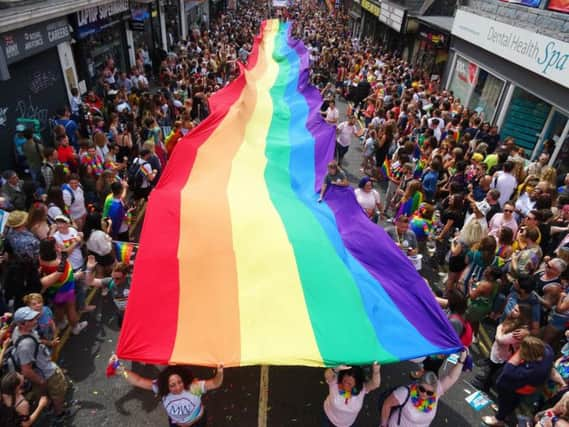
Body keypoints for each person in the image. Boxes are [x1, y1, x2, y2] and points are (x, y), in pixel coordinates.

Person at [108, 356, 223, 426]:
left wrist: (220, 372)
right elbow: (138, 381)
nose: (178, 387)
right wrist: (120, 369)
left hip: (198, 423)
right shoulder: (160, 387)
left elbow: (215, 383)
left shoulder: (194, 387)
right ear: (165, 385)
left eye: (180, 382)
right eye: (172, 385)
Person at [380, 350, 468, 427]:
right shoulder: (404, 393)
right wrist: (384, 424)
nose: (424, 394)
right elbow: (387, 405)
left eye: (429, 393)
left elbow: (451, 377)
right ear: (418, 383)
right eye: (422, 389)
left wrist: (461, 360)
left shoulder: (437, 392)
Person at [10, 306, 68, 422]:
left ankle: (49, 407)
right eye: (31, 320)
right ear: (21, 324)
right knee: (58, 392)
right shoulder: (25, 345)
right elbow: (26, 370)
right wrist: (41, 381)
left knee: (44, 393)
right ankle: (59, 414)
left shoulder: (19, 330)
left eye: (34, 317)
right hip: (46, 373)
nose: (35, 320)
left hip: (40, 370)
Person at [482, 337, 555, 426]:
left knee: (507, 400)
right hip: (526, 387)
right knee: (511, 401)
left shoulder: (532, 370)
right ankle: (504, 412)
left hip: (517, 387)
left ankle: (499, 419)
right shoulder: (548, 350)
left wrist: (519, 354)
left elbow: (507, 372)